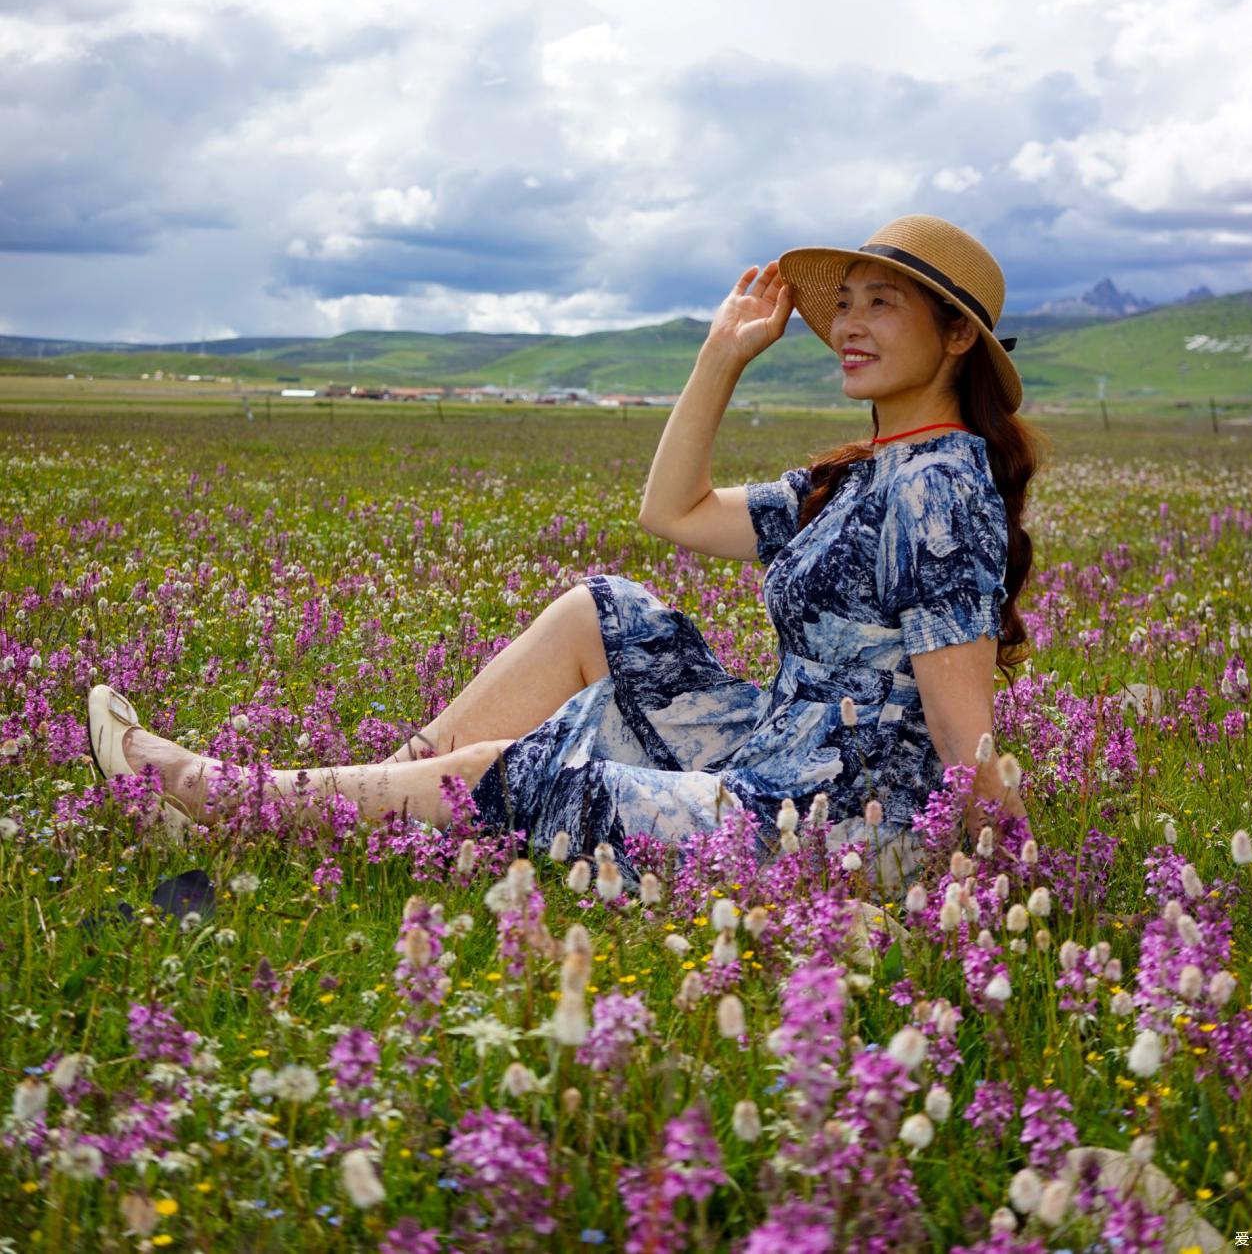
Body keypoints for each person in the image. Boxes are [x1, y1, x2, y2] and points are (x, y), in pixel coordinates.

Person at [87, 213, 1042, 894]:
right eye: (846, 305)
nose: (848, 326)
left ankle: (228, 798)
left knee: (534, 770)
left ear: (957, 334)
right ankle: (367, 799)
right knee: (604, 607)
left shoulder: (940, 488)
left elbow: (966, 744)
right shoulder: (864, 473)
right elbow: (672, 510)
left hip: (837, 829)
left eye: (884, 306)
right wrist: (720, 355)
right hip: (773, 755)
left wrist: (1011, 883)